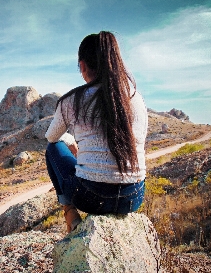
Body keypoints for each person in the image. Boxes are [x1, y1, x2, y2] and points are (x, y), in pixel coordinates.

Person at [45, 31, 148, 233]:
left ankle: (70, 214)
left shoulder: (73, 100)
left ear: (82, 66)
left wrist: (71, 141)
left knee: (53, 148)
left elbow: (51, 137)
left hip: (91, 196)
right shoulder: (136, 97)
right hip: (133, 196)